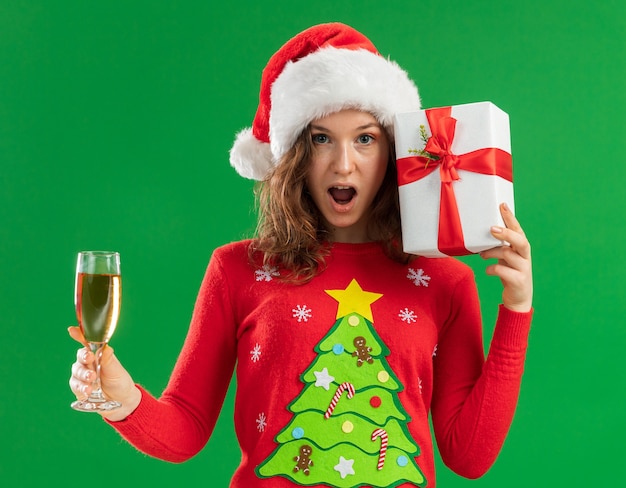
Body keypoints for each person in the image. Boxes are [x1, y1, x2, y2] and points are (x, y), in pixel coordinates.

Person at [68, 22, 533, 487]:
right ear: (293, 153)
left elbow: (469, 456)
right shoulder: (237, 271)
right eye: (321, 138)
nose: (343, 163)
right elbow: (185, 429)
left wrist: (516, 310)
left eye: (365, 138)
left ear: (393, 151)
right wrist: (121, 398)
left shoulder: (445, 283)